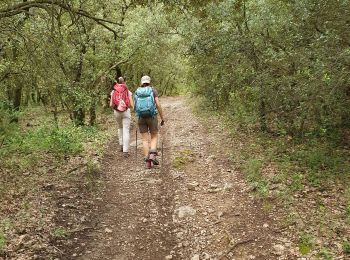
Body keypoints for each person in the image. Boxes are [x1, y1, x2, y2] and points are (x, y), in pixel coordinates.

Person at [134, 75, 165, 168]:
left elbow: (135, 106)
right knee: (154, 135)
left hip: (141, 117)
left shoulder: (137, 91)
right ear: (149, 82)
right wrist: (162, 117)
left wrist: (139, 115)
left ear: (141, 82)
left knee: (144, 139)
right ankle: (152, 155)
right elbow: (158, 105)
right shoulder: (153, 90)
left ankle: (147, 161)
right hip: (152, 116)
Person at [110, 76, 134, 157]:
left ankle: (121, 145)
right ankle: (125, 151)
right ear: (124, 82)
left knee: (120, 127)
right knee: (126, 130)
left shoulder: (113, 91)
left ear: (117, 82)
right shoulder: (128, 91)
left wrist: (117, 106)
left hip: (116, 112)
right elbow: (131, 104)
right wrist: (127, 106)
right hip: (126, 112)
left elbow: (111, 105)